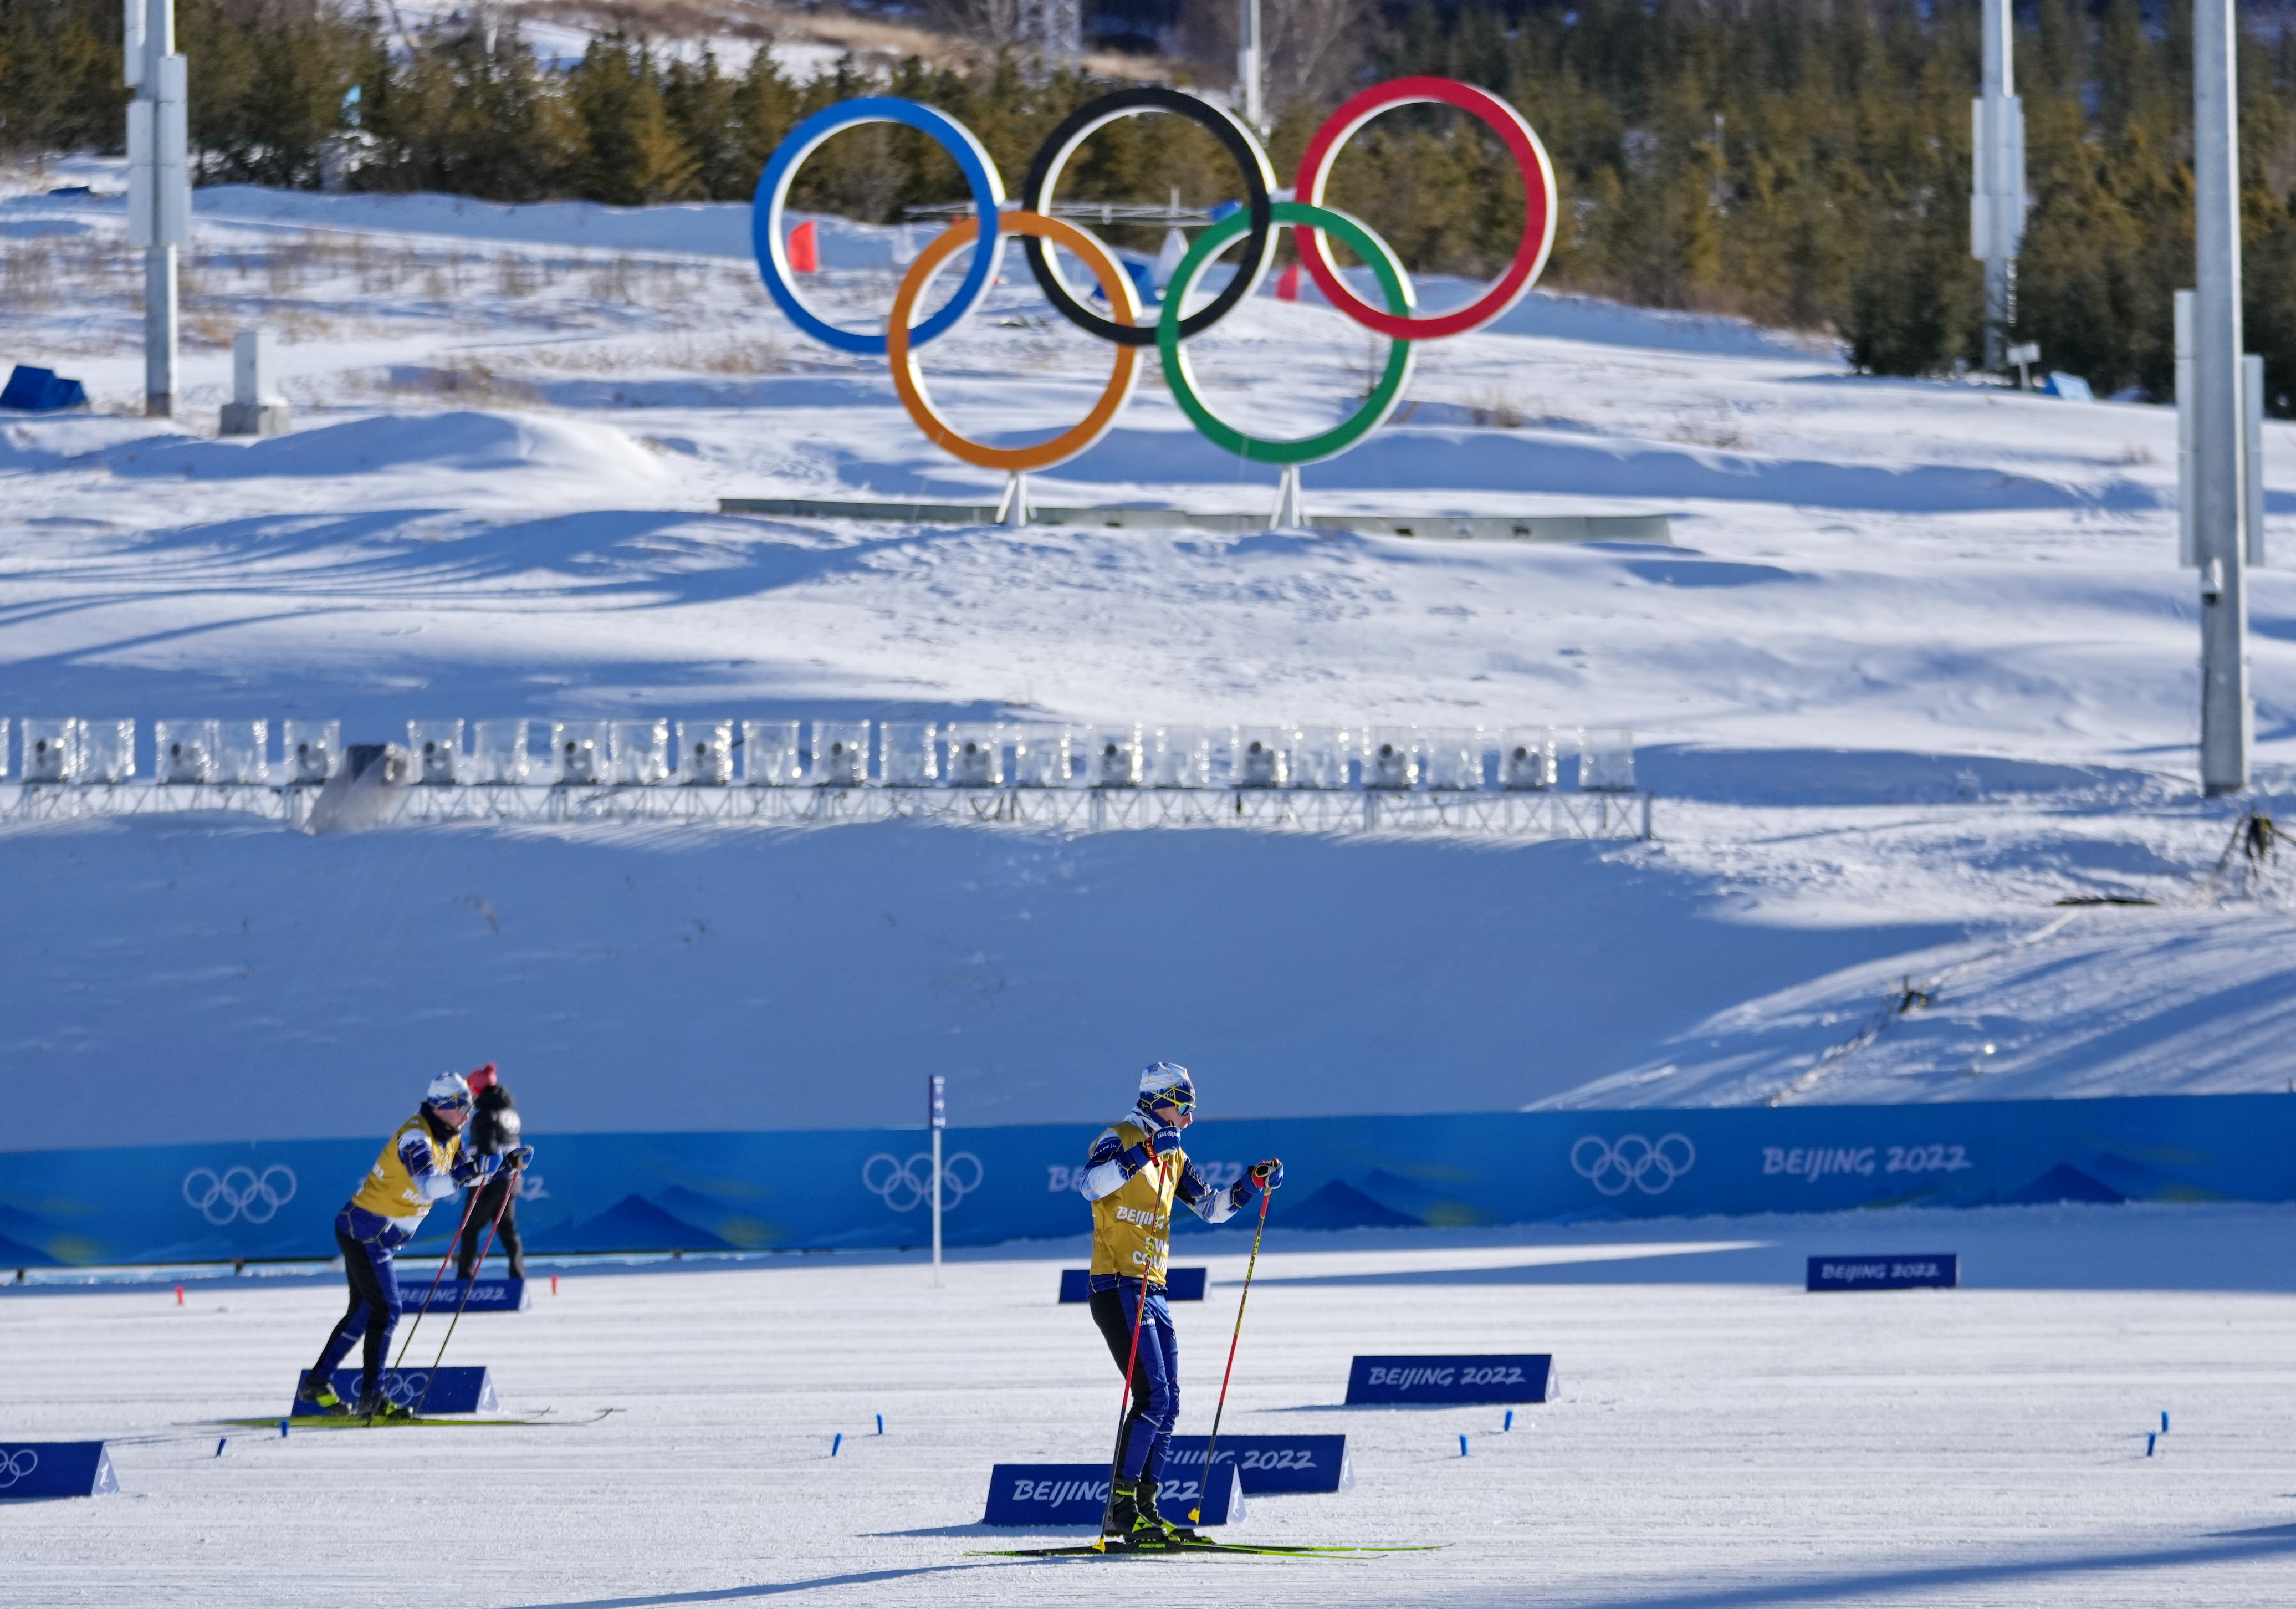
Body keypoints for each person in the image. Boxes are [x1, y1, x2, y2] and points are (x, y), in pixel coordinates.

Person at [1078, 1061, 1282, 1549]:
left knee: (1168, 1405)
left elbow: (1211, 1209)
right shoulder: (1121, 1135)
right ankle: (1121, 1510)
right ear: (1157, 1101)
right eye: (1183, 1107)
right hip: (1117, 1285)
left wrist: (1250, 1184)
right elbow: (1090, 1185)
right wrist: (1144, 1153)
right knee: (1153, 1398)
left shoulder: (1175, 1154)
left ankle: (1145, 1506)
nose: (1188, 1119)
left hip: (1155, 1287)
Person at [295, 1070, 533, 1421]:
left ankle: (317, 1383)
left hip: (374, 1235)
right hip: (366, 1233)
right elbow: (428, 1186)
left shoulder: (451, 1136)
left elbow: (469, 1175)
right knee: (387, 1310)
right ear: (441, 1107)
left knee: (364, 1312)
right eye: (462, 1108)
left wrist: (504, 1169)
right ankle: (371, 1399)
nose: (468, 1116)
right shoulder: (415, 1136)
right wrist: (474, 1171)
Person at [456, 1064, 526, 1280]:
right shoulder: (510, 1113)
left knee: (470, 1229)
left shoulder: (485, 1115)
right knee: (507, 1229)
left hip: (489, 1181)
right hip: (511, 1180)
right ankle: (518, 1276)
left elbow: (487, 1153)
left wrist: (477, 1175)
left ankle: (464, 1278)